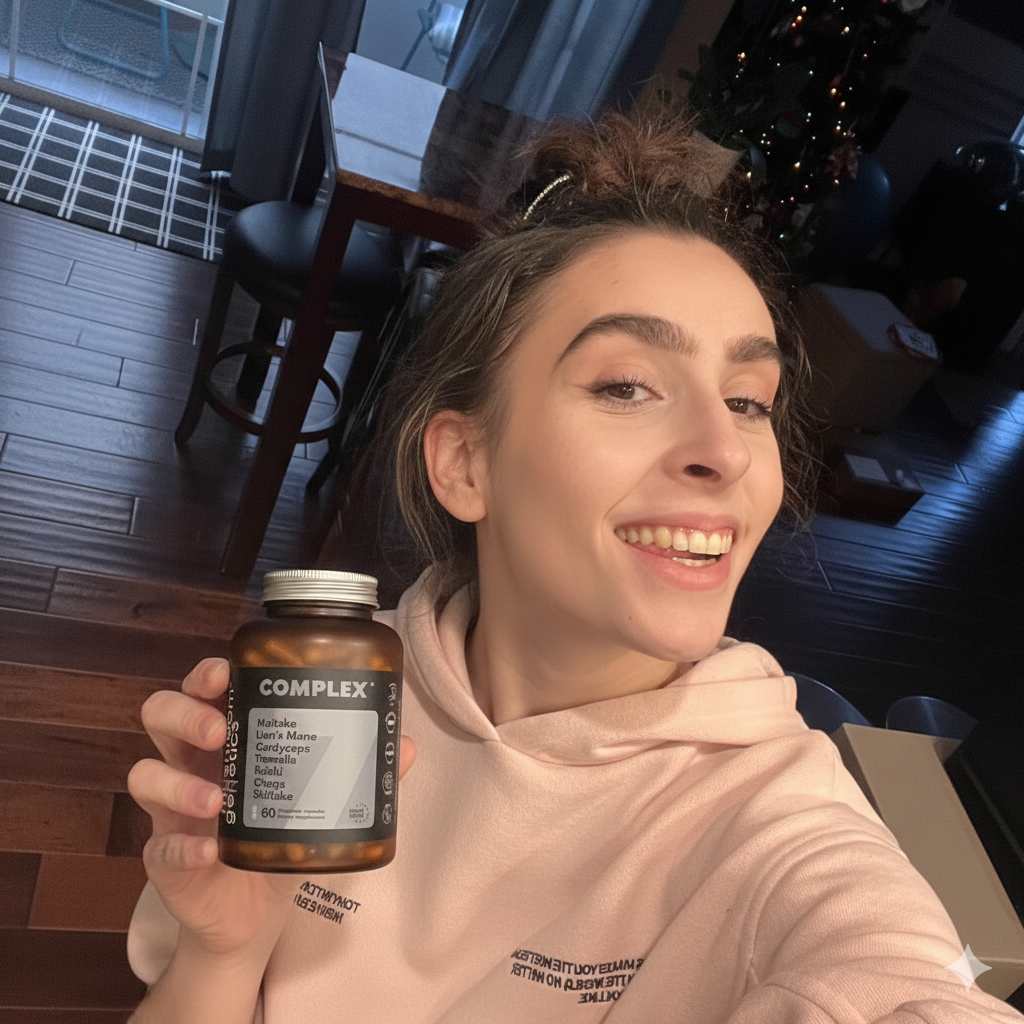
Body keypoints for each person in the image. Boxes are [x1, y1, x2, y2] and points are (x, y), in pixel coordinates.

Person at [125, 114, 1023, 1023]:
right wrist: (221, 953)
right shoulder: (324, 706)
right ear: (465, 462)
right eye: (626, 385)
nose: (726, 450)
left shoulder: (778, 828)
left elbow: (895, 977)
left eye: (748, 400)